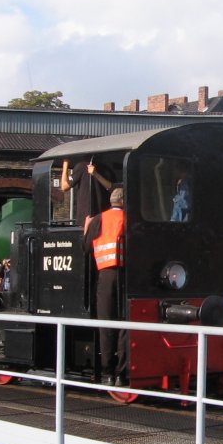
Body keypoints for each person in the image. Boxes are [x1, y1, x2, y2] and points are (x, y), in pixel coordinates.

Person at [83, 186, 128, 386]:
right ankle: (121, 373)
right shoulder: (128, 218)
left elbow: (85, 247)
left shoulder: (99, 220)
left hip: (106, 276)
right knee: (125, 325)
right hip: (126, 275)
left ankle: (108, 373)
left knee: (106, 325)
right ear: (125, 202)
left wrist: (86, 228)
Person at [62, 158, 113, 226]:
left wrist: (65, 164)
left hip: (86, 216)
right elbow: (112, 187)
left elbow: (64, 186)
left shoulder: (81, 166)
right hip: (104, 215)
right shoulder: (107, 169)